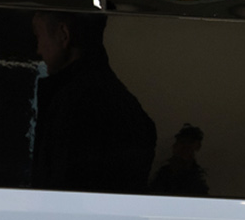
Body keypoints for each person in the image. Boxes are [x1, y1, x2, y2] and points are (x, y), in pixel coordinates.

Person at [30, 12, 157, 194]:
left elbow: (59, 194)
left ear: (63, 34)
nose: (38, 49)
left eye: (39, 36)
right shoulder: (123, 102)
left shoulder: (73, 103)